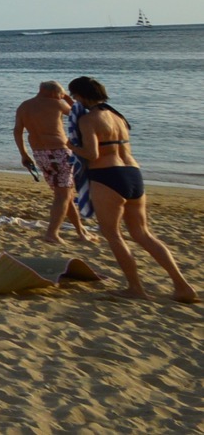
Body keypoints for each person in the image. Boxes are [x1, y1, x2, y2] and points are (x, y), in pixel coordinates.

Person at [68, 76, 196, 302]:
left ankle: (136, 288)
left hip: (107, 175)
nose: (74, 100)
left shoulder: (89, 120)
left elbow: (92, 154)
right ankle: (182, 285)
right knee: (143, 234)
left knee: (113, 235)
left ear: (82, 95)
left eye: (75, 95)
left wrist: (68, 144)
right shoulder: (118, 116)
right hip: (133, 174)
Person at [14, 81, 95, 244]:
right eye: (61, 94)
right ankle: (52, 233)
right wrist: (66, 98)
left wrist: (24, 154)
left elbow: (17, 131)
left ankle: (81, 230)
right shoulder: (57, 103)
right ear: (53, 93)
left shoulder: (24, 106)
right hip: (58, 152)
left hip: (39, 153)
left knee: (65, 195)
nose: (63, 97)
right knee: (63, 195)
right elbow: (80, 116)